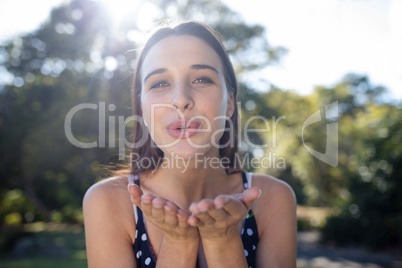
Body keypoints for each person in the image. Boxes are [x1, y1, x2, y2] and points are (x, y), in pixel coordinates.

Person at [83, 21, 297, 268]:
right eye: (160, 83)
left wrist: (223, 241)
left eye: (202, 79)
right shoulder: (108, 202)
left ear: (229, 103)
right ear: (142, 108)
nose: (181, 99)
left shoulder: (272, 199)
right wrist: (178, 242)